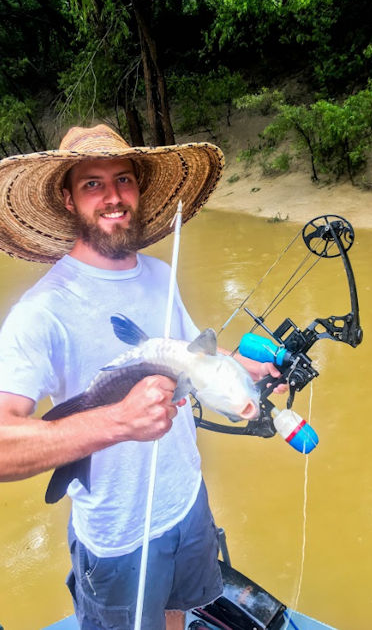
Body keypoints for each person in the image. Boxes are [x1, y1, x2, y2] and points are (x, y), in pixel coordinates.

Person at [0, 124, 284, 630]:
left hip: (186, 499)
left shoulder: (158, 274)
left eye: (123, 180)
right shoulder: (42, 311)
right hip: (118, 535)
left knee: (176, 613)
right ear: (67, 199)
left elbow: (194, 356)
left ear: (139, 190)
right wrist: (120, 421)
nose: (113, 197)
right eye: (93, 184)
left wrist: (246, 369)